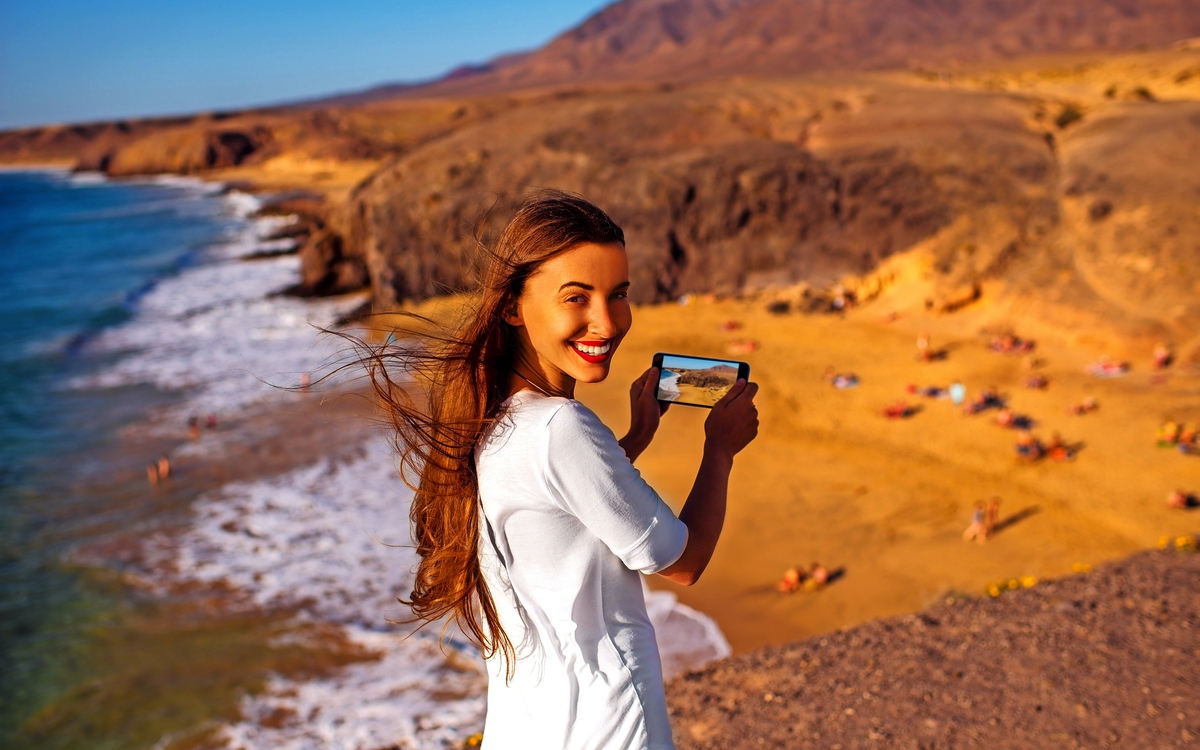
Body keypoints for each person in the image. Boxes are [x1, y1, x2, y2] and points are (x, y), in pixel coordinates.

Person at [357, 193, 759, 750]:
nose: (607, 322)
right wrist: (720, 449)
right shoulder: (560, 427)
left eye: (618, 294)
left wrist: (635, 439)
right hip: (611, 731)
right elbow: (682, 562)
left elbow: (565, 510)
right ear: (512, 306)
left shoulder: (491, 420)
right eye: (577, 297)